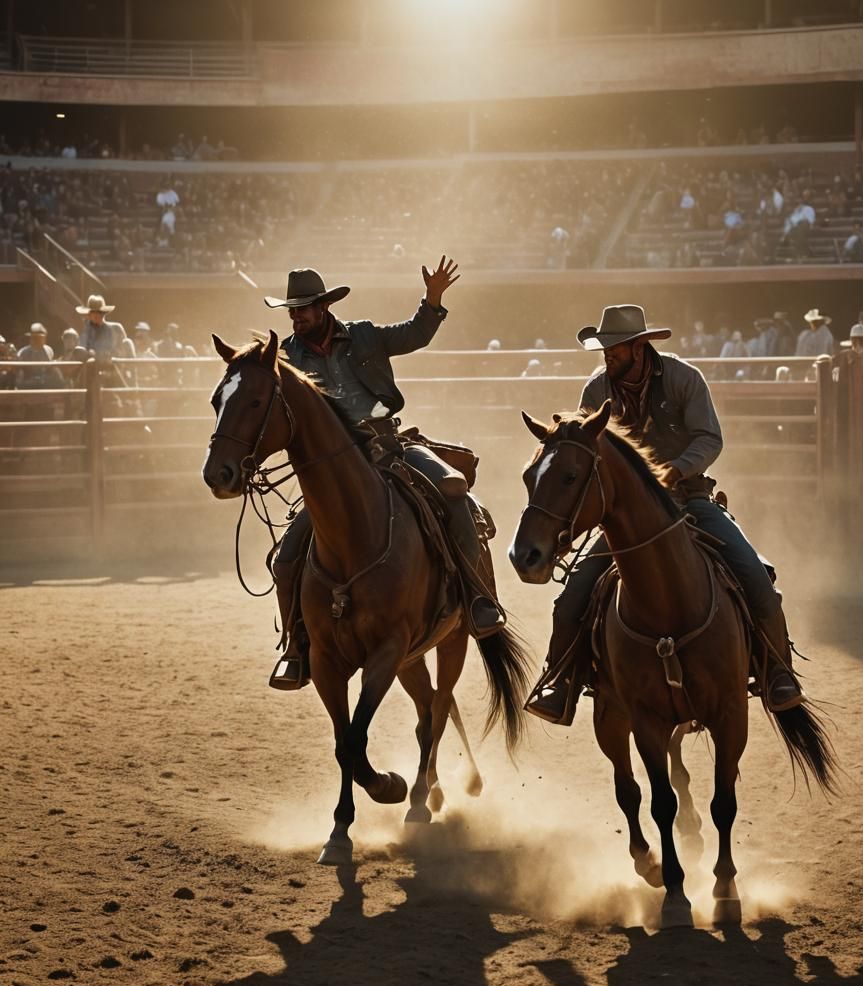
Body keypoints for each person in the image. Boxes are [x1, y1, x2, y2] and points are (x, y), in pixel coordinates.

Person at [525, 304, 804, 726]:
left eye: (615, 348)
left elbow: (710, 439)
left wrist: (675, 469)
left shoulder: (683, 378)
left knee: (754, 574)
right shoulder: (596, 390)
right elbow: (584, 451)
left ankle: (777, 670)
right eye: (605, 349)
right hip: (624, 516)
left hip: (689, 499)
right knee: (570, 600)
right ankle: (559, 680)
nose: (608, 356)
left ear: (640, 347)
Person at [263, 260, 505, 690]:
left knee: (453, 488)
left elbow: (415, 334)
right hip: (334, 474)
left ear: (322, 308)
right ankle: (296, 648)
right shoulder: (288, 357)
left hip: (389, 447)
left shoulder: (365, 335)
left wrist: (432, 300)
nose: (296, 317)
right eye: (292, 311)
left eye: (302, 309)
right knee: (286, 560)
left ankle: (479, 600)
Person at [77, 294, 128, 360]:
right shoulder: (85, 332)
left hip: (113, 366)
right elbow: (82, 351)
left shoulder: (116, 329)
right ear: (89, 314)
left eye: (99, 312)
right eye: (93, 312)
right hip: (93, 367)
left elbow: (124, 352)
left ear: (103, 313)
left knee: (127, 342)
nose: (96, 315)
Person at [16, 323, 63, 389]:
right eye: (34, 338)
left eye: (40, 338)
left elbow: (51, 368)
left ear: (44, 339)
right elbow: (20, 372)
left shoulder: (49, 350)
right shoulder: (23, 352)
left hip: (45, 382)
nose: (36, 340)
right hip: (28, 382)